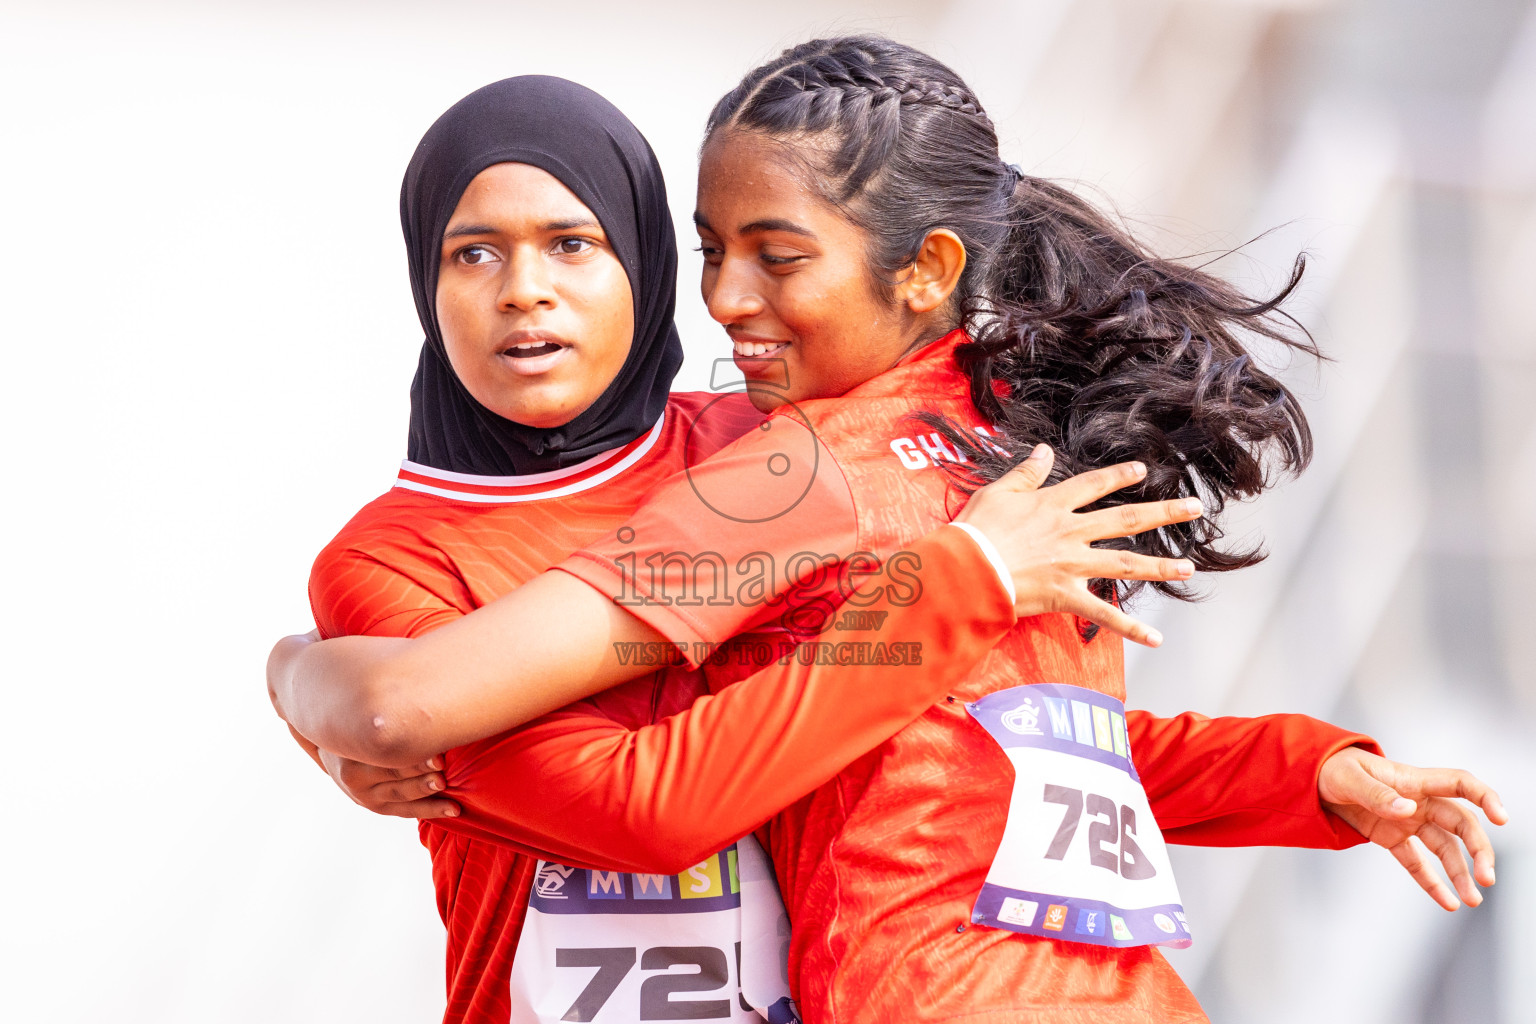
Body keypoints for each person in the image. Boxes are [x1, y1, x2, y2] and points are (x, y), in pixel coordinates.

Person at [273, 48, 1504, 1023]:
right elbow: (931, 738)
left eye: (574, 244)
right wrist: (317, 686)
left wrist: (1295, 769)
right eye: (472, 252)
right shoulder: (985, 436)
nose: (524, 289)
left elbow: (951, 749)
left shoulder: (773, 463)